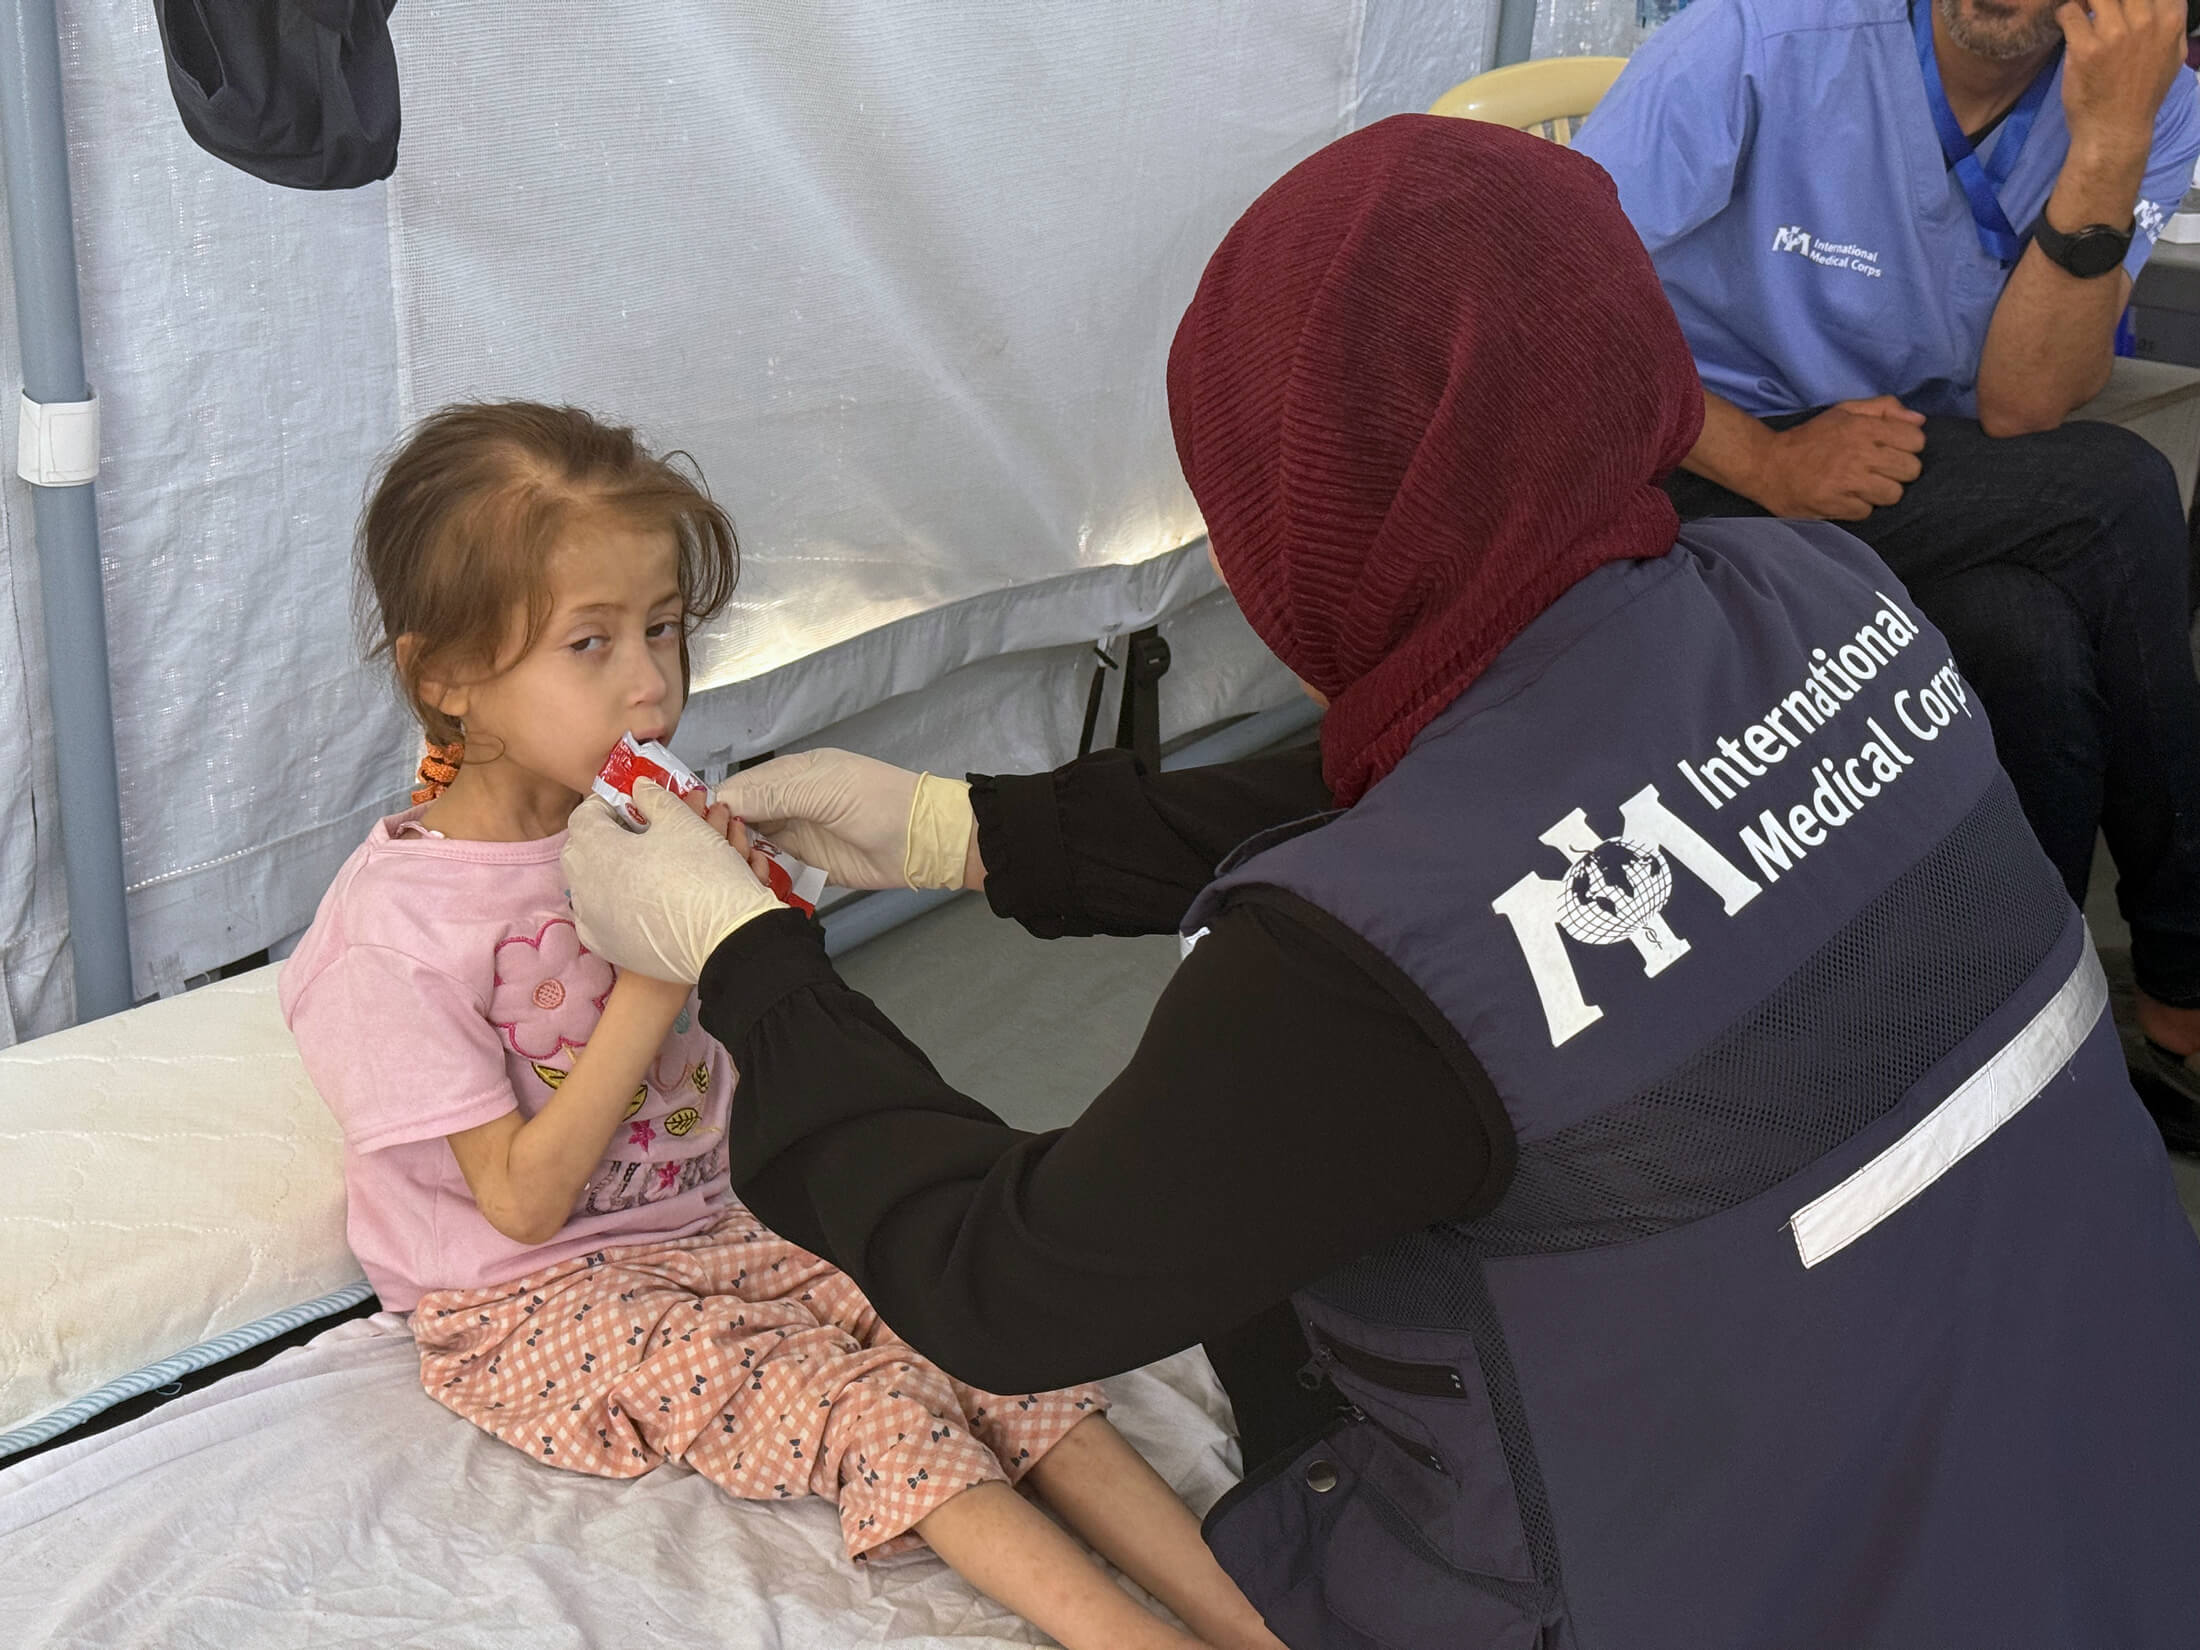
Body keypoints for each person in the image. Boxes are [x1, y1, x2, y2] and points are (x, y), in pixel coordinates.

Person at [562, 117, 2200, 1649]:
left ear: (1293, 508)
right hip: (2109, 1456)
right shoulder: (1815, 592)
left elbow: (1008, 1283)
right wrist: (962, 831)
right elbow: (1492, 825)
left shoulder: (1353, 989)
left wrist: (751, 968)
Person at [277, 401, 1285, 1650]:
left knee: (969, 1327)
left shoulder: (645, 831)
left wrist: (749, 909)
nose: (650, 684)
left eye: (661, 630)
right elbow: (523, 1206)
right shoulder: (389, 934)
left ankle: (1269, 1629)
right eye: (587, 643)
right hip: (532, 1298)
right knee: (868, 1404)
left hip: (722, 1220)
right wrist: (663, 967)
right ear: (447, 679)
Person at [1573, 0, 2200, 1140]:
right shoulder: (1755, 39)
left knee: (2024, 634)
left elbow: (2022, 405)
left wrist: (2107, 143)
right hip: (1683, 452)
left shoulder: (2141, 94)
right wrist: (1760, 457)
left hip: (1903, 462)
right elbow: (1554, 300)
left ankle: (2005, 1015)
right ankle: (2185, 978)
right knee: (2119, 495)